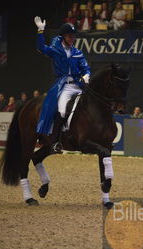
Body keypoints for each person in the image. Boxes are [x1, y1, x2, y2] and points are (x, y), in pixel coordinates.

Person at [34, 17, 91, 153]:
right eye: (70, 36)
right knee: (62, 110)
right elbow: (40, 48)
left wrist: (87, 75)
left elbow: (85, 68)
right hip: (65, 86)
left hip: (79, 85)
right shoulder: (55, 50)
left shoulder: (78, 53)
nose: (72, 39)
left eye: (73, 36)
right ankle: (55, 142)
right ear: (63, 36)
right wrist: (40, 31)